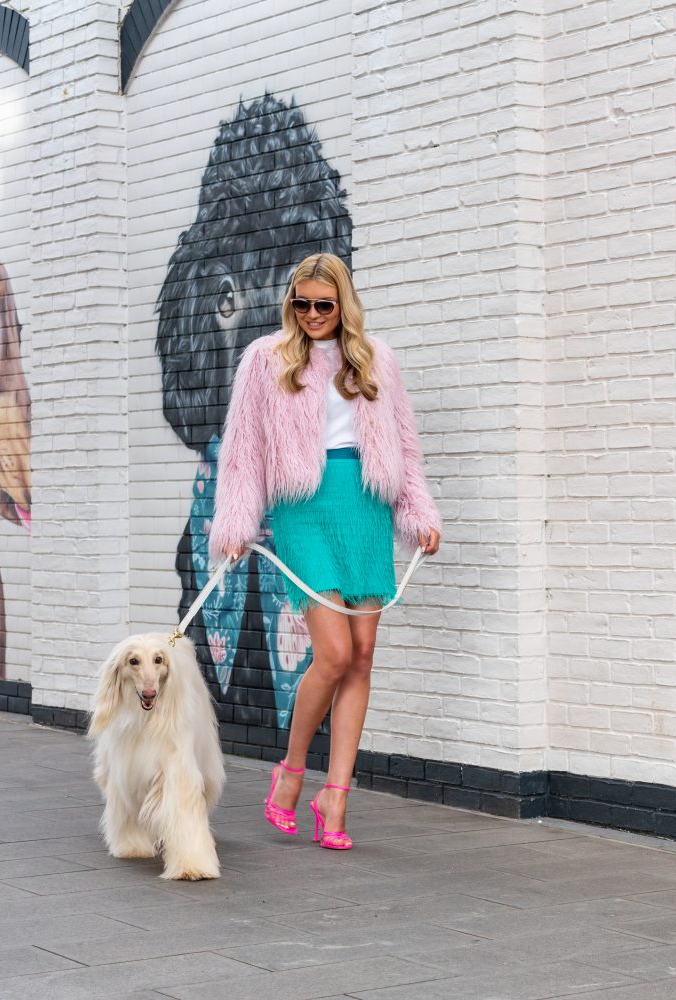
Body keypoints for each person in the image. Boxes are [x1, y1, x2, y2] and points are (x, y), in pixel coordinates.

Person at [209, 252, 441, 850]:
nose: (312, 314)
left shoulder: (376, 359)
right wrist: (236, 521)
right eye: (302, 303)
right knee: (333, 653)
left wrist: (419, 513)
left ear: (344, 305)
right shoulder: (266, 358)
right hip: (302, 508)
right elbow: (243, 449)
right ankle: (290, 772)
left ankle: (335, 798)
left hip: (365, 506)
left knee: (361, 655)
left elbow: (404, 444)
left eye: (324, 305)